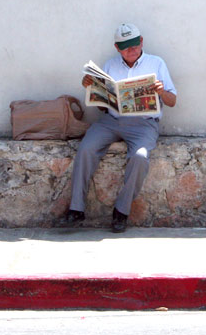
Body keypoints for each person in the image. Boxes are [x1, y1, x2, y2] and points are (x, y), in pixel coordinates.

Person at [60, 23, 177, 233]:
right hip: (112, 120)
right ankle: (76, 208)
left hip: (144, 124)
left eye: (134, 44)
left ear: (141, 42)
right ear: (117, 48)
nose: (131, 50)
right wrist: (91, 87)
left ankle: (121, 211)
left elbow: (173, 101)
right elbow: (101, 100)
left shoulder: (156, 63)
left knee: (140, 157)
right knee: (86, 148)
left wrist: (161, 91)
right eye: (125, 47)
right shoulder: (110, 65)